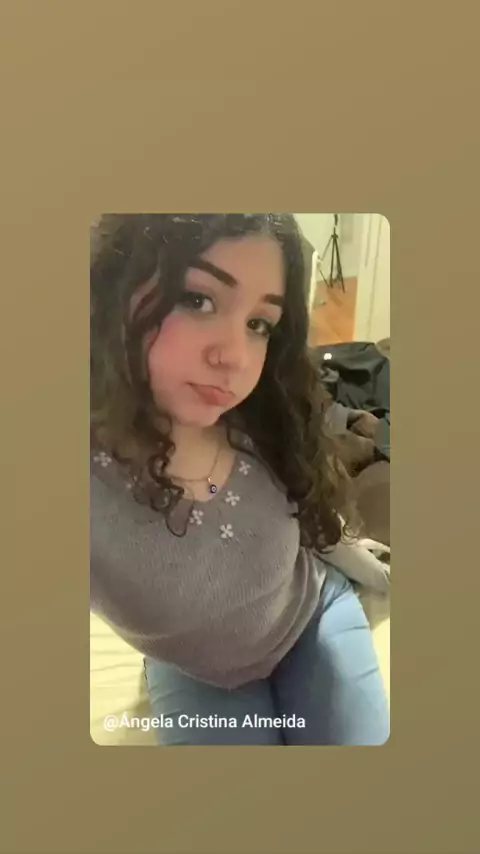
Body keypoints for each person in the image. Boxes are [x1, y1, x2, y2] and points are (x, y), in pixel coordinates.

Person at [90, 213, 389, 746]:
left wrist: (365, 562)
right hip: (195, 671)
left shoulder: (265, 418)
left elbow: (313, 514)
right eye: (197, 299)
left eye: (259, 324)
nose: (233, 359)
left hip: (312, 618)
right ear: (115, 291)